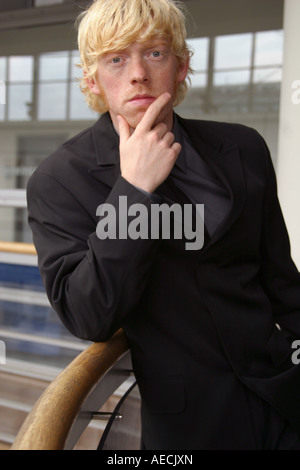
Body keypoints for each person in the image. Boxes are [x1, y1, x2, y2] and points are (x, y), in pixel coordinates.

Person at [27, 0, 300, 450]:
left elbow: (283, 284)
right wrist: (133, 188)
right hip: (187, 427)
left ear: (181, 66)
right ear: (92, 79)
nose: (137, 73)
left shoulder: (244, 147)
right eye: (116, 59)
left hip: (284, 396)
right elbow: (87, 313)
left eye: (154, 52)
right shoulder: (59, 179)